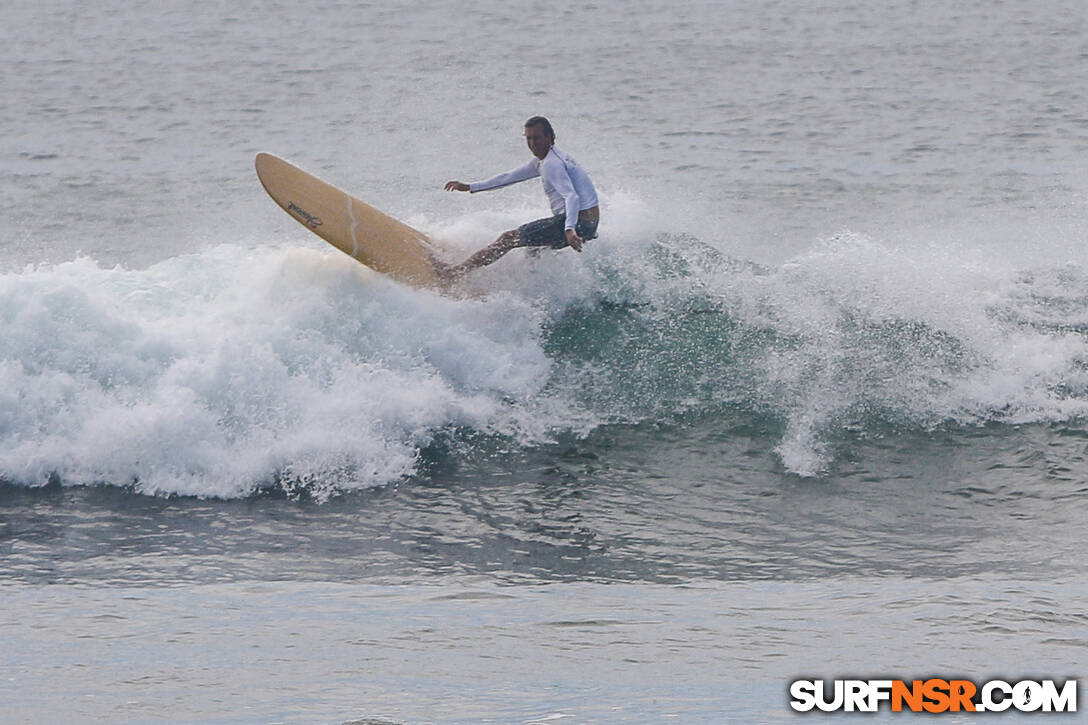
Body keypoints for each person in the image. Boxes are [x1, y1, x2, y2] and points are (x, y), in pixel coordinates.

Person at [437, 116, 599, 280]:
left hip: (578, 223)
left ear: (550, 138)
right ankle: (533, 286)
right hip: (588, 224)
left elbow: (571, 197)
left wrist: (569, 230)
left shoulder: (552, 164)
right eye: (528, 138)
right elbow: (509, 177)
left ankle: (455, 273)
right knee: (534, 248)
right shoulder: (546, 159)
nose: (532, 143)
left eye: (537, 138)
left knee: (508, 238)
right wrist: (471, 187)